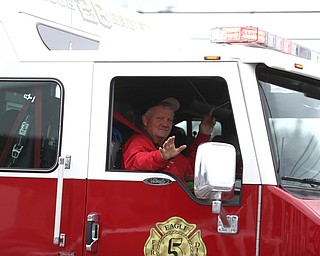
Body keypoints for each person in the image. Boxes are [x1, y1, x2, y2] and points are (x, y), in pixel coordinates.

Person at [122, 97, 215, 184]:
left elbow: (191, 170)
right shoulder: (138, 141)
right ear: (145, 120)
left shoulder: (170, 151)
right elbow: (135, 162)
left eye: (169, 120)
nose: (165, 124)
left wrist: (204, 134)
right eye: (160, 118)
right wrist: (161, 157)